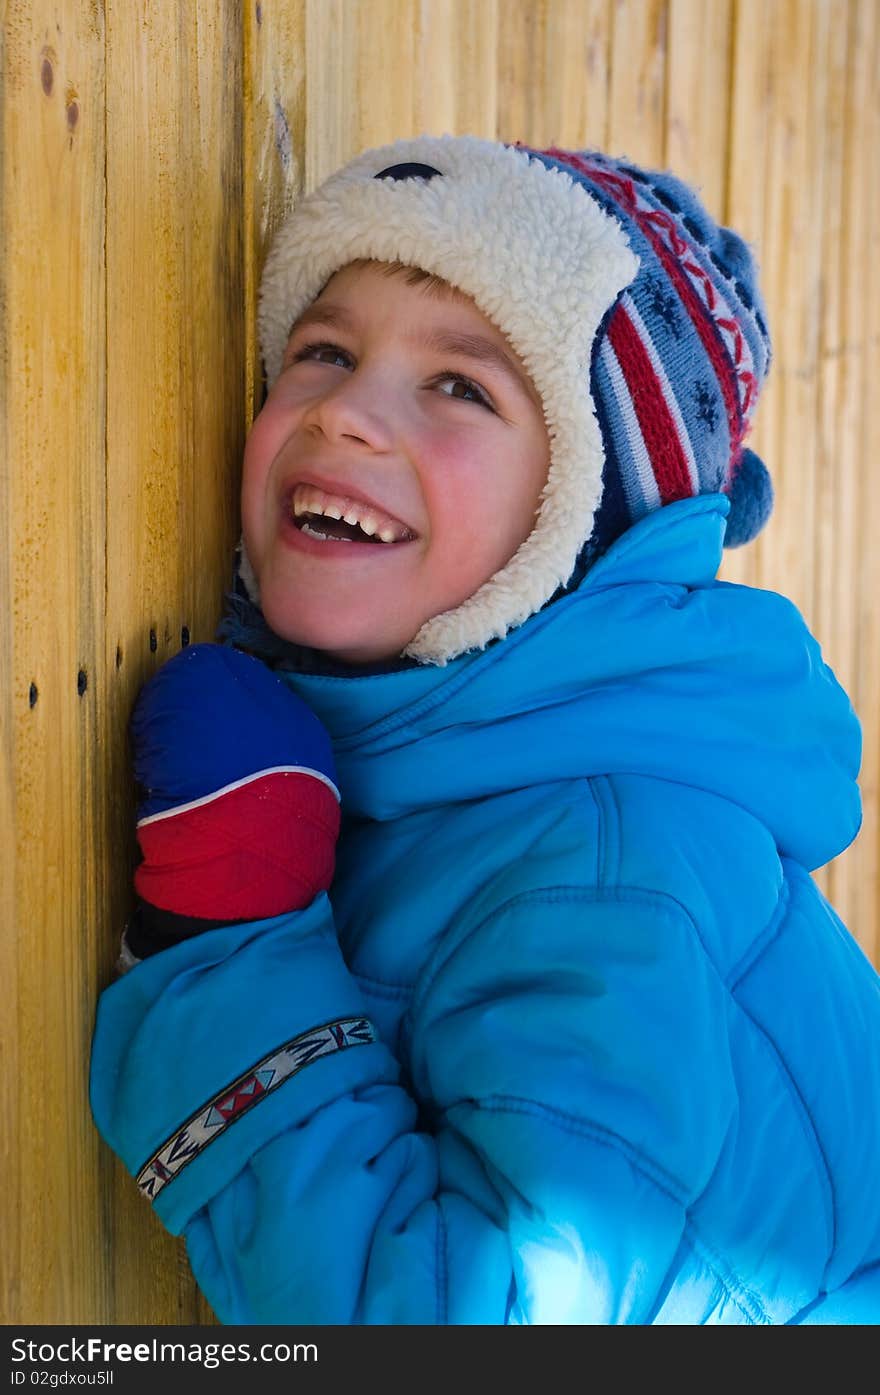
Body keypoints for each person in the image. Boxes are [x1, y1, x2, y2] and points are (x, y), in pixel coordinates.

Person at [89, 134, 880, 1324]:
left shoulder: (612, 876)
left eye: (461, 384)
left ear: (584, 518)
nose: (347, 413)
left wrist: (235, 941)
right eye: (321, 350)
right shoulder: (452, 764)